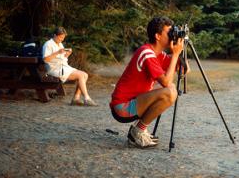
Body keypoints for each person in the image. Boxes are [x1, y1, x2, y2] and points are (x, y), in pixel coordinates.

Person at [110, 16, 187, 148]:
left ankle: (138, 130)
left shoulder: (158, 54)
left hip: (134, 101)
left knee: (171, 89)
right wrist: (175, 55)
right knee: (170, 92)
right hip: (122, 107)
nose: (171, 36)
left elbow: (183, 70)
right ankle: (138, 132)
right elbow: (166, 82)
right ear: (157, 36)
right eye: (169, 33)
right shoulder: (147, 53)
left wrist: (180, 50)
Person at [42, 27, 97, 106]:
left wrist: (67, 54)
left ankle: (76, 98)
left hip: (63, 67)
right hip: (54, 69)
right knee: (81, 75)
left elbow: (62, 58)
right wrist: (57, 52)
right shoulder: (48, 44)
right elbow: (45, 59)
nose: (62, 39)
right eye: (60, 37)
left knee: (85, 75)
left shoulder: (60, 44)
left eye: (63, 38)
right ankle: (87, 98)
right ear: (55, 35)